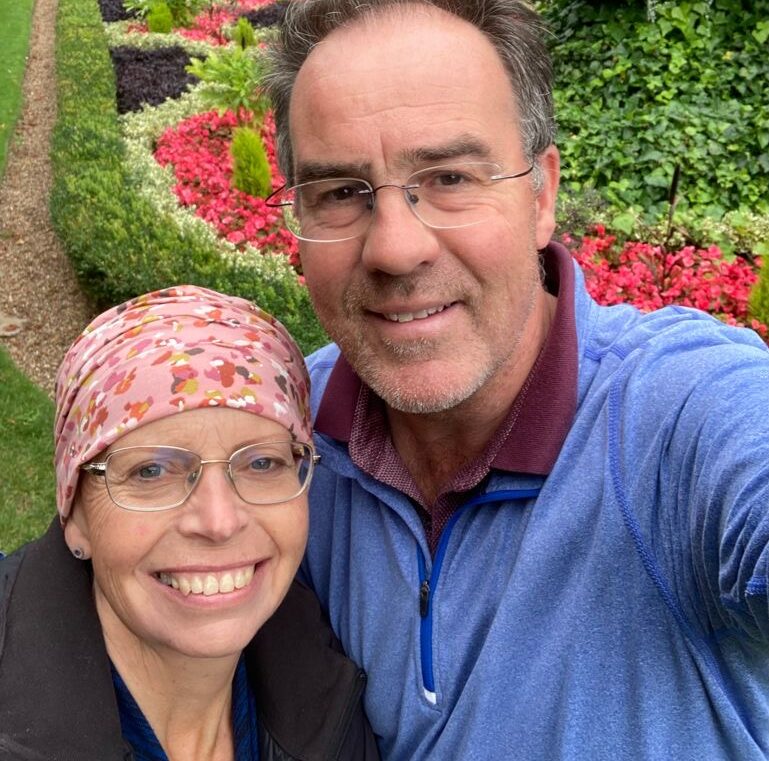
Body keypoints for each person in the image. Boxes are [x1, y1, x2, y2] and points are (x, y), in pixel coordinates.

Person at [262, 1, 769, 759]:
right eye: (340, 192)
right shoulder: (282, 444)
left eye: (448, 177)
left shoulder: (674, 418)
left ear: (540, 194)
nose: (395, 249)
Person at [0, 285, 378, 760]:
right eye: (152, 470)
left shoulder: (327, 694)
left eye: (261, 463)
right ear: (74, 514)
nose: (218, 522)